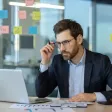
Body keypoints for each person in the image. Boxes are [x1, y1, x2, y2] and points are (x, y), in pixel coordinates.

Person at [35, 19, 112, 102]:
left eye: (66, 42)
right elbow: (41, 93)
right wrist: (44, 62)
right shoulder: (58, 61)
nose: (61, 49)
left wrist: (93, 96)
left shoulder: (101, 62)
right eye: (59, 43)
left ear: (79, 39)